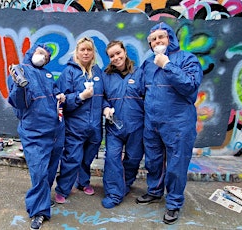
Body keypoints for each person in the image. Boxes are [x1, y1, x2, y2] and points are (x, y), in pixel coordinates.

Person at [136, 22, 203, 225]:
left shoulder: (186, 59)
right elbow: (139, 90)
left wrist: (167, 65)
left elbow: (190, 85)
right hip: (152, 123)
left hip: (178, 123)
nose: (157, 42)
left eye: (161, 37)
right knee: (153, 161)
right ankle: (155, 191)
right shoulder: (147, 63)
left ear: (170, 38)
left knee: (176, 164)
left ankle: (173, 203)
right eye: (153, 39)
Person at [7, 43, 65, 230]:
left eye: (47, 57)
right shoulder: (19, 70)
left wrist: (60, 96)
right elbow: (18, 103)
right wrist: (20, 86)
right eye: (41, 53)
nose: (43, 57)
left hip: (55, 129)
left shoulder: (48, 74)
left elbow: (54, 93)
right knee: (39, 171)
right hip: (34, 132)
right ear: (31, 52)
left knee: (49, 169)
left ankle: (43, 198)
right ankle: (39, 211)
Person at [54, 37, 108, 204]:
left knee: (87, 159)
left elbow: (103, 96)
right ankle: (62, 189)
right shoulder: (69, 72)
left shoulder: (98, 71)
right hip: (75, 126)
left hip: (95, 127)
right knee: (72, 159)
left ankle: (83, 182)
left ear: (93, 53)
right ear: (77, 52)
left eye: (89, 50)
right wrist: (80, 97)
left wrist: (106, 107)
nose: (86, 53)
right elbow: (60, 99)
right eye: (82, 49)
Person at [101, 41, 145, 209]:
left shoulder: (140, 73)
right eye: (112, 56)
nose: (116, 57)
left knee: (133, 158)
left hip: (136, 126)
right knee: (112, 158)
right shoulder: (106, 76)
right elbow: (101, 96)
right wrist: (105, 107)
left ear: (125, 52)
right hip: (114, 127)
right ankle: (113, 193)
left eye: (118, 53)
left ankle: (125, 184)